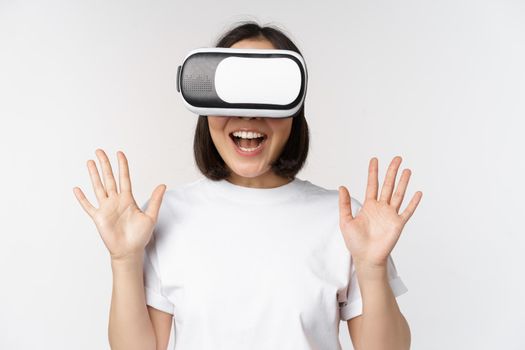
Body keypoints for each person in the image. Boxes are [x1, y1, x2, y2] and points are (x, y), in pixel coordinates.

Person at [73, 21, 422, 350]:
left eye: (266, 92)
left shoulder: (345, 222)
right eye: (233, 93)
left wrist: (373, 270)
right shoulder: (165, 217)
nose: (248, 114)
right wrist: (124, 259)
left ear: (294, 111)